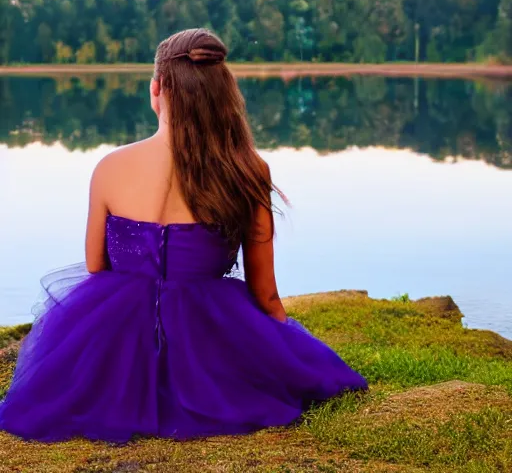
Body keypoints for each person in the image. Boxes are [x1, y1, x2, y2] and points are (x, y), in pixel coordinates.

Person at [0, 29, 368, 443]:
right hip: (211, 338)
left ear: (155, 89)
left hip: (119, 336)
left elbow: (96, 267)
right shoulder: (247, 169)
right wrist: (283, 351)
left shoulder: (110, 167)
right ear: (221, 93)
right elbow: (265, 294)